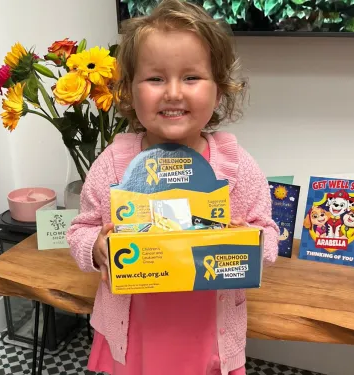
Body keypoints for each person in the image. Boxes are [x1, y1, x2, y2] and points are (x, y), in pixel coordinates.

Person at [66, 0, 280, 374]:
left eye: (192, 77)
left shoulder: (235, 166)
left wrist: (246, 243)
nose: (174, 92)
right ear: (129, 90)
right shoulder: (115, 164)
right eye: (155, 78)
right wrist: (97, 247)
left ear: (220, 89)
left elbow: (269, 237)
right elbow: (80, 230)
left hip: (207, 337)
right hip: (135, 337)